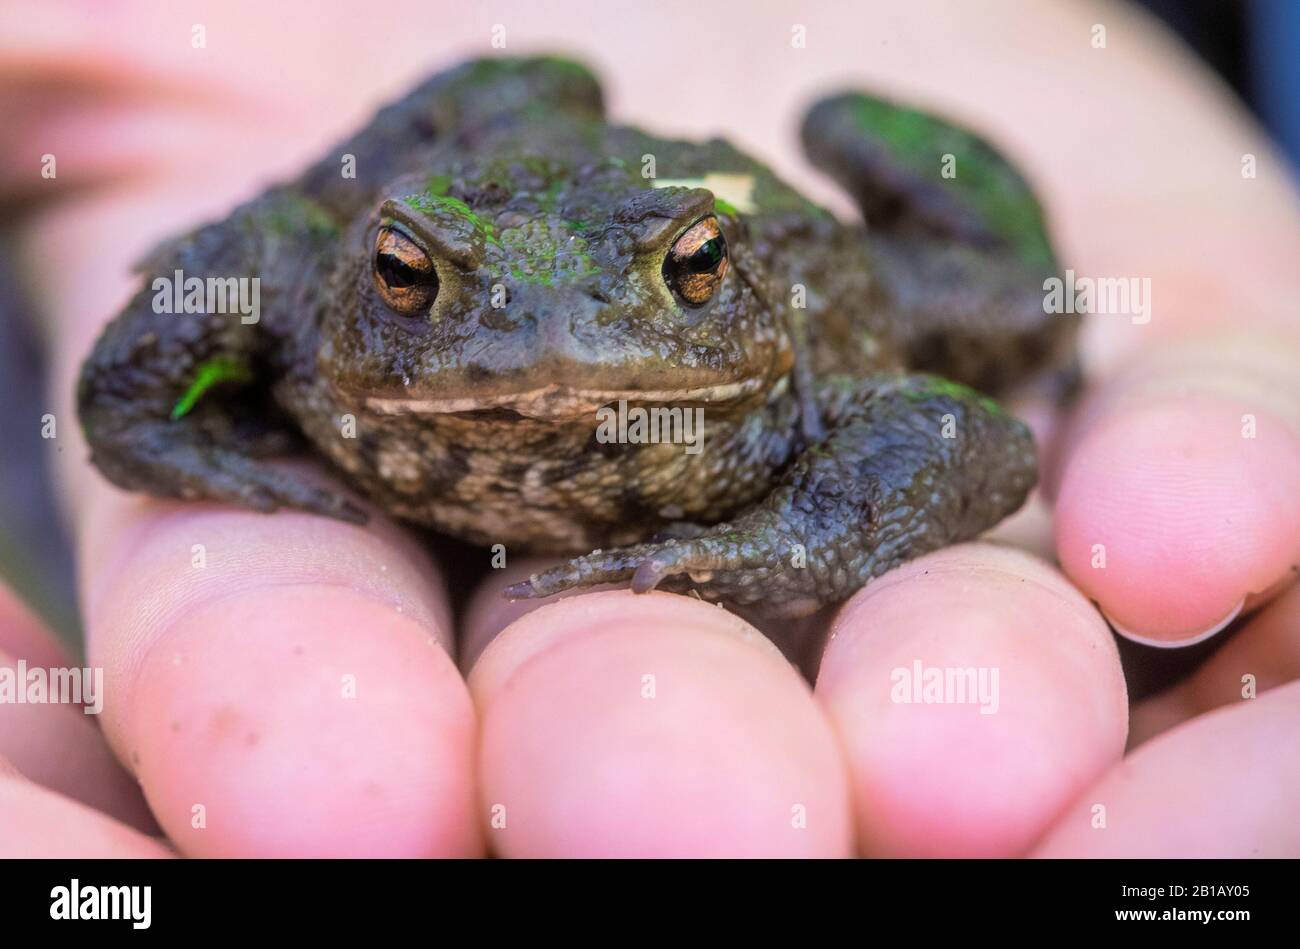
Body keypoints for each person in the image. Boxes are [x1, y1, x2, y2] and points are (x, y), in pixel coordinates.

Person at [0, 0, 1296, 857]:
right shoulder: (307, 284)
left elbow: (971, 438)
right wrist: (160, 433)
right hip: (495, 179)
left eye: (676, 276)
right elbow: (176, 340)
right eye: (412, 280)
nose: (548, 339)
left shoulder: (776, 345)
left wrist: (775, 542)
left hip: (779, 251)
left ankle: (642, 266)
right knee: (514, 99)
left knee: (1018, 308)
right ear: (376, 274)